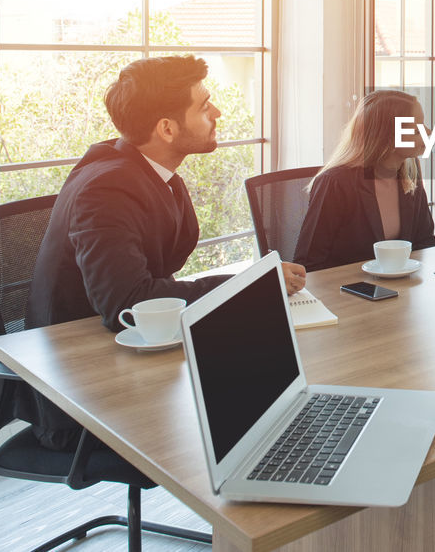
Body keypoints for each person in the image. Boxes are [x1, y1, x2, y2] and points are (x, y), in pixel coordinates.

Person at [25, 55, 307, 448]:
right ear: (167, 128)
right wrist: (253, 284)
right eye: (204, 105)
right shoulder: (107, 189)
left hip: (137, 356)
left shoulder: (150, 171)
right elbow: (129, 304)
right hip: (83, 388)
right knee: (264, 406)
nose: (217, 112)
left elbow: (155, 278)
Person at [294, 90, 435, 272]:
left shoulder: (409, 171)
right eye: (416, 129)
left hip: (399, 292)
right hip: (346, 293)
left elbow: (425, 243)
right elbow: (308, 263)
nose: (429, 132)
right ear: (387, 137)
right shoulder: (335, 183)